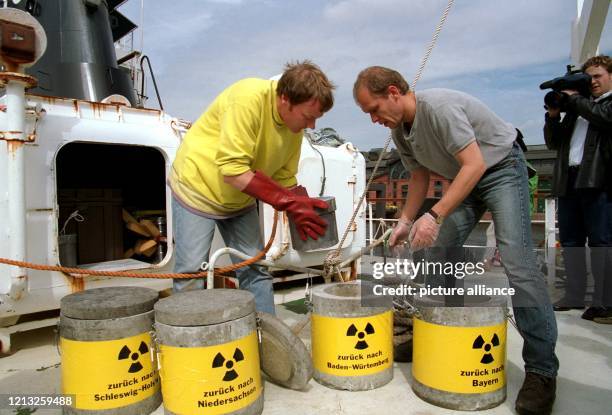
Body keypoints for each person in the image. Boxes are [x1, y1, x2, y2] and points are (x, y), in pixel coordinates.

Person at [353, 66, 558, 415]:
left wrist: (434, 215)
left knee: (518, 264)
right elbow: (418, 176)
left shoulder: (439, 108)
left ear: (392, 92)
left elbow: (475, 163)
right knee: (432, 252)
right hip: (465, 179)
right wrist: (405, 220)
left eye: (373, 109)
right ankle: (436, 332)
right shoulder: (401, 132)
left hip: (500, 170)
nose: (374, 119)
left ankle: (541, 371)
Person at [169, 61, 335, 314]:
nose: (312, 126)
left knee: (255, 269)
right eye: (308, 117)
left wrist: (300, 201)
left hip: (239, 199)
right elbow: (233, 171)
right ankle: (187, 345)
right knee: (192, 272)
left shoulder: (294, 130)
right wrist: (288, 203)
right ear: (284, 99)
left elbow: (284, 177)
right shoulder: (247, 98)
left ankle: (267, 340)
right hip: (197, 188)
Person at [543, 55, 612, 324]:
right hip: (569, 180)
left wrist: (574, 99)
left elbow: (604, 118)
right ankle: (574, 294)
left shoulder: (603, 105)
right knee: (571, 242)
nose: (592, 82)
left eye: (597, 76)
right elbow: (553, 142)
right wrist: (553, 115)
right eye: (589, 78)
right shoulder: (577, 109)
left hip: (599, 181)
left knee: (601, 242)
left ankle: (605, 303)